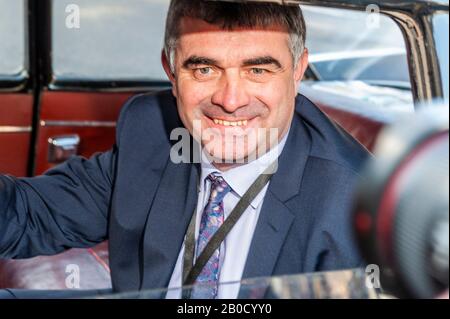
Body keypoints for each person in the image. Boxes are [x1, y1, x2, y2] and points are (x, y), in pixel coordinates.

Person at [0, 0, 369, 299]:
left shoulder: (353, 204)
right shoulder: (152, 130)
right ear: (171, 71)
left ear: (297, 69)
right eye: (205, 69)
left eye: (258, 70)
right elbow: (30, 214)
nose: (230, 100)